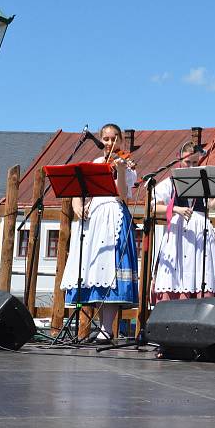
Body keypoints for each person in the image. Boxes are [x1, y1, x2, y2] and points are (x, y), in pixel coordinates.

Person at [60, 123, 139, 343]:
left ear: (121, 141)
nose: (109, 142)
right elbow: (80, 188)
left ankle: (106, 328)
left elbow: (122, 195)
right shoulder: (95, 163)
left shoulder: (128, 166)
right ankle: (94, 326)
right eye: (105, 138)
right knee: (94, 271)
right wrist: (77, 205)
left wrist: (122, 170)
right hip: (93, 219)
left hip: (113, 214)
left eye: (114, 138)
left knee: (109, 271)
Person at [152, 142, 215, 300]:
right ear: (179, 160)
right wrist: (176, 209)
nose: (191, 166)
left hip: (200, 231)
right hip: (178, 233)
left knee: (201, 274)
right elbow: (154, 207)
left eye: (194, 163)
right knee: (177, 275)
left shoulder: (204, 183)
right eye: (188, 162)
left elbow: (211, 205)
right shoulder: (170, 182)